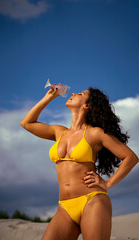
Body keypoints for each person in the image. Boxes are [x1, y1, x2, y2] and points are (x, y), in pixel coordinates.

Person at [20, 85, 138, 240]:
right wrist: (49, 97)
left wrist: (108, 183)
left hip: (92, 200)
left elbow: (131, 157)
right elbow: (26, 123)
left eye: (81, 94)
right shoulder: (59, 132)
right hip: (64, 207)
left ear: (87, 105)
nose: (74, 93)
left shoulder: (96, 133)